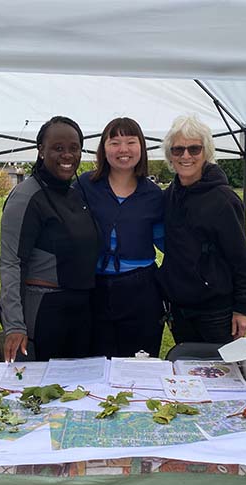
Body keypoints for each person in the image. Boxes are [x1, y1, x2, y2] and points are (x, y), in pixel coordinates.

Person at [0, 116, 101, 362]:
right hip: (44, 313)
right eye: (58, 148)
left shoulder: (75, 194)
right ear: (41, 151)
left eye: (74, 148)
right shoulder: (26, 196)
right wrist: (14, 326)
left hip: (79, 310)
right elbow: (11, 262)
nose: (67, 155)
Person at [156, 114, 246, 345]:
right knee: (187, 372)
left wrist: (242, 308)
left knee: (221, 374)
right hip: (179, 309)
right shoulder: (169, 196)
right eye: (178, 150)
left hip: (215, 311)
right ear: (170, 155)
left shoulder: (223, 200)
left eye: (194, 149)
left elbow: (241, 257)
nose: (185, 156)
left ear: (206, 153)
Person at [76, 117, 165, 358]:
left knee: (139, 363)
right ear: (103, 149)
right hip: (94, 287)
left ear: (141, 147)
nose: (123, 150)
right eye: (114, 142)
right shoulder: (85, 186)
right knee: (95, 362)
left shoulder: (154, 195)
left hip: (141, 290)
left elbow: (167, 242)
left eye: (130, 142)